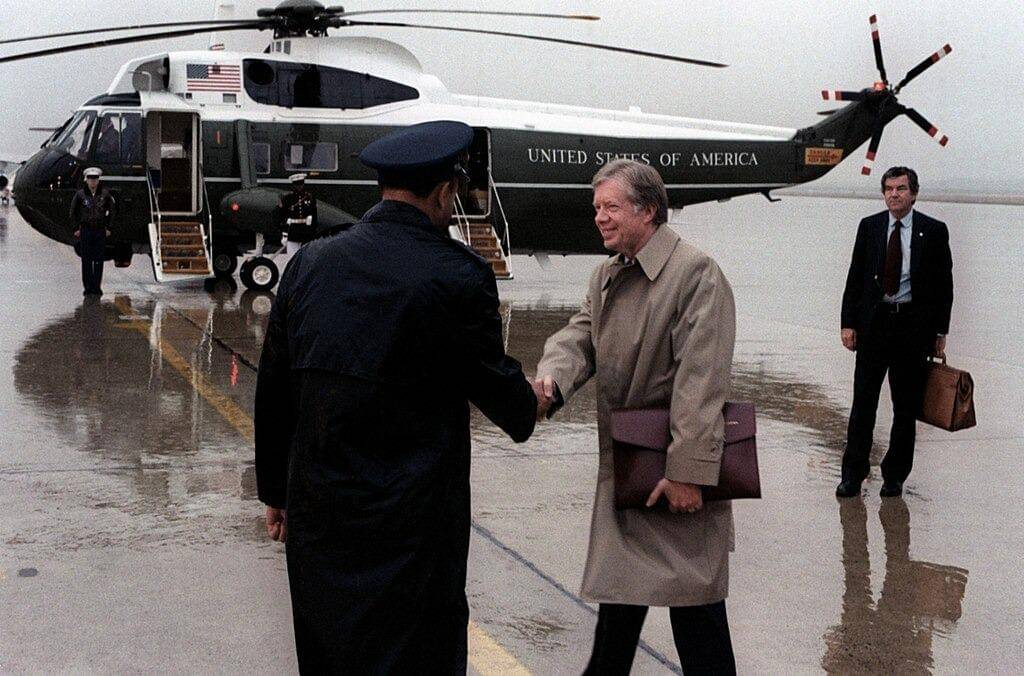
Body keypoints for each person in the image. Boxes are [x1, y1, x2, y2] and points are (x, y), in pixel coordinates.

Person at [254, 120, 543, 673]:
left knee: (331, 652)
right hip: (415, 525)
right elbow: (508, 403)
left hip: (323, 515)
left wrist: (276, 491)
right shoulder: (460, 275)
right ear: (443, 192)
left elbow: (275, 389)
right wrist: (536, 400)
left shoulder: (310, 264)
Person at [535, 159, 738, 674]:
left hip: (669, 471)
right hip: (630, 469)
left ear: (648, 211)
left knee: (695, 612)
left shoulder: (695, 273)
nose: (600, 218)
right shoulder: (607, 274)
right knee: (620, 608)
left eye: (612, 207)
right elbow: (580, 335)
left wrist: (688, 473)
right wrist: (550, 383)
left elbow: (702, 379)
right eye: (597, 208)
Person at [836, 166, 953, 498]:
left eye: (901, 189)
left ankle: (894, 476)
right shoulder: (870, 227)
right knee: (863, 405)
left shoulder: (933, 231)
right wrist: (848, 323)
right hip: (874, 326)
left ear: (913, 193)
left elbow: (944, 286)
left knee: (905, 409)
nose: (894, 194)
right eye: (888, 189)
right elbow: (855, 277)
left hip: (911, 329)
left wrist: (940, 331)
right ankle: (853, 474)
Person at [69, 167, 115, 295]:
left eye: (95, 179)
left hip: (100, 230)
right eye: (90, 179)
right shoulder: (80, 195)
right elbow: (73, 212)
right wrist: (75, 228)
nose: (93, 182)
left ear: (98, 180)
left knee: (99, 260)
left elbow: (112, 211)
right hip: (86, 229)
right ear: (86, 180)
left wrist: (109, 227)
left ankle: (97, 287)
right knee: (86, 260)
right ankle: (88, 287)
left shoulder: (105, 194)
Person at [278, 173, 317, 253]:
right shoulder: (288, 198)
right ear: (293, 185)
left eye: (301, 184)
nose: (299, 186)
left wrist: (313, 232)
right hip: (293, 232)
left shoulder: (310, 197)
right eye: (297, 184)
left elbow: (314, 216)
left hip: (306, 232)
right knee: (293, 256)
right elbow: (282, 216)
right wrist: (284, 234)